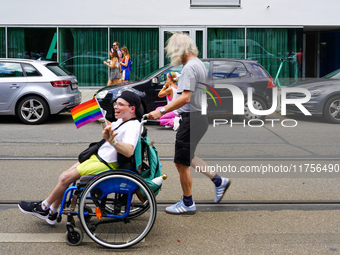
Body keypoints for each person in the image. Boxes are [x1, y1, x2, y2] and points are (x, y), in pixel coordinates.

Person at [18, 91, 142, 224]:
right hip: (99, 157)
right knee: (64, 176)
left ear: (132, 109)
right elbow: (111, 129)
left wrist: (112, 141)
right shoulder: (124, 121)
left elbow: (128, 151)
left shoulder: (133, 126)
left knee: (65, 178)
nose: (115, 107)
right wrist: (101, 119)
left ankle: (43, 207)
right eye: (115, 103)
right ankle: (52, 212)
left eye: (120, 104)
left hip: (106, 163)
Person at [148, 32, 231, 215]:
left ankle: (187, 203)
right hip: (200, 116)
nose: (172, 56)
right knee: (189, 157)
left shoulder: (188, 68)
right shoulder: (199, 64)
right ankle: (219, 181)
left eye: (172, 52)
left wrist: (161, 111)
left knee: (181, 162)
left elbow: (186, 98)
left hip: (192, 119)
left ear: (179, 50)